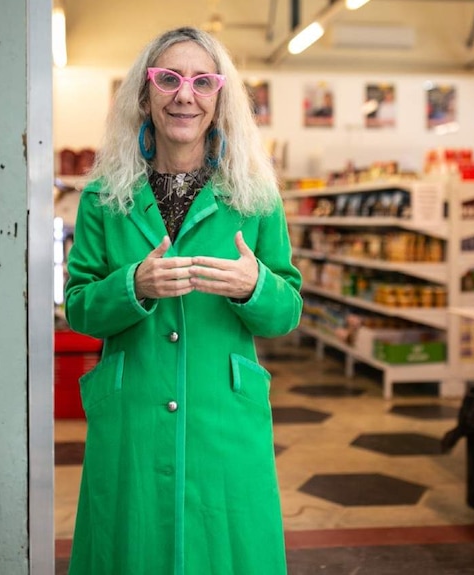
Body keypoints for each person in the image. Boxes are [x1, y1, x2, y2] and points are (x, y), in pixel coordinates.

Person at [65, 26, 303, 575]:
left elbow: (287, 309)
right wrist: (133, 286)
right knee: (131, 546)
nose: (184, 94)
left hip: (223, 413)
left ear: (220, 100)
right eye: (167, 79)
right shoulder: (105, 197)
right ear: (145, 96)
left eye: (202, 81)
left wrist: (254, 287)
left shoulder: (255, 195)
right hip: (133, 413)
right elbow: (78, 305)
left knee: (227, 546)